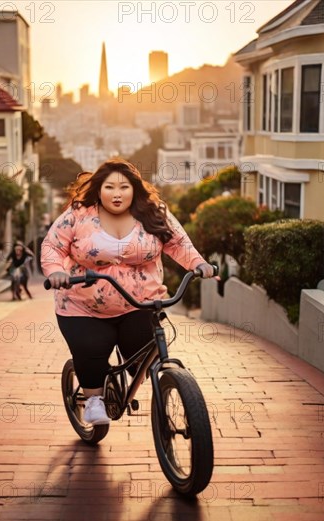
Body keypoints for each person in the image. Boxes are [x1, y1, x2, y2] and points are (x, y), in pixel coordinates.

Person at [41, 159, 215, 425]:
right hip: (83, 306)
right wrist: (55, 271)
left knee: (143, 357)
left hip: (141, 303)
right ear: (99, 190)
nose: (117, 193)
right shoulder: (79, 214)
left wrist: (199, 264)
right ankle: (94, 400)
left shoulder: (153, 212)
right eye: (109, 187)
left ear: (134, 188)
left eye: (124, 186)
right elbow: (53, 246)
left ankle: (166, 387)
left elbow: (178, 242)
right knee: (92, 351)